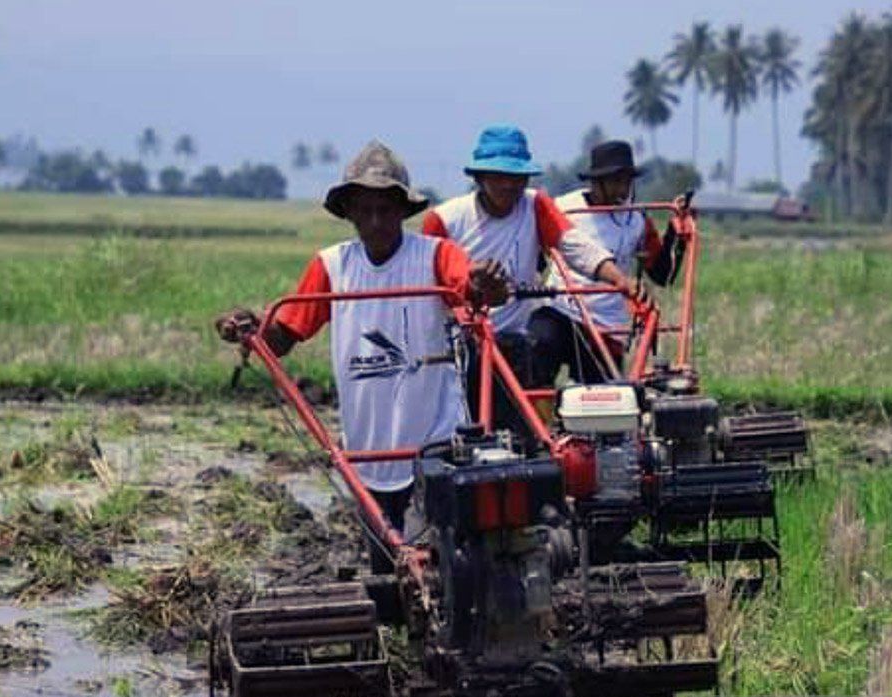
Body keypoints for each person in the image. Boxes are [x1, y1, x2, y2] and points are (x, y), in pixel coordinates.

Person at [215, 141, 505, 548]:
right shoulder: (332, 267)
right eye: (364, 211)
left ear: (403, 211)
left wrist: (485, 283)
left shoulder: (437, 256)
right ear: (348, 212)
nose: (374, 222)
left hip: (436, 436)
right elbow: (282, 337)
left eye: (385, 210)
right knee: (386, 566)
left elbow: (475, 290)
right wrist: (250, 329)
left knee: (438, 552)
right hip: (367, 446)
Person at [420, 125, 643, 426]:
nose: (509, 186)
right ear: (480, 178)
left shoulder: (534, 205)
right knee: (464, 422)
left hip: (514, 338)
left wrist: (619, 279)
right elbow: (431, 285)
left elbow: (574, 245)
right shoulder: (445, 220)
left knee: (528, 410)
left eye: (516, 178)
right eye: (499, 177)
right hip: (461, 341)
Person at [530, 139, 682, 385]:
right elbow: (536, 258)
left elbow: (662, 274)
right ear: (595, 181)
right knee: (537, 349)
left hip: (607, 326)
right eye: (615, 180)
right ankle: (534, 418)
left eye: (627, 181)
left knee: (605, 403)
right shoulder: (563, 209)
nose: (622, 188)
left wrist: (676, 232)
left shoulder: (637, 221)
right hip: (562, 310)